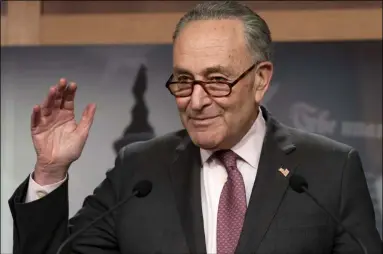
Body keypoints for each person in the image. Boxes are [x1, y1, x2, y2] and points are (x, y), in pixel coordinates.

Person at [8, 1, 382, 254]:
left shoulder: (329, 170)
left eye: (217, 80)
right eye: (184, 81)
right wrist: (51, 172)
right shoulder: (139, 171)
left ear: (260, 79)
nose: (196, 101)